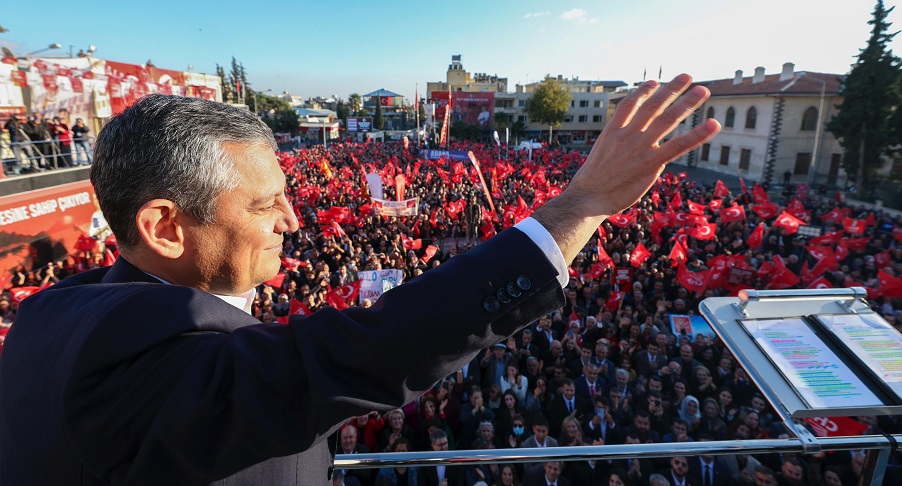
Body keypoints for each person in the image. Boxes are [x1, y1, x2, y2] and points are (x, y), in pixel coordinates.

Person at [0, 75, 719, 485]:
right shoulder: (142, 354)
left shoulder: (54, 313)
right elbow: (377, 346)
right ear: (164, 226)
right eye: (262, 202)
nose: (292, 218)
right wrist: (580, 205)